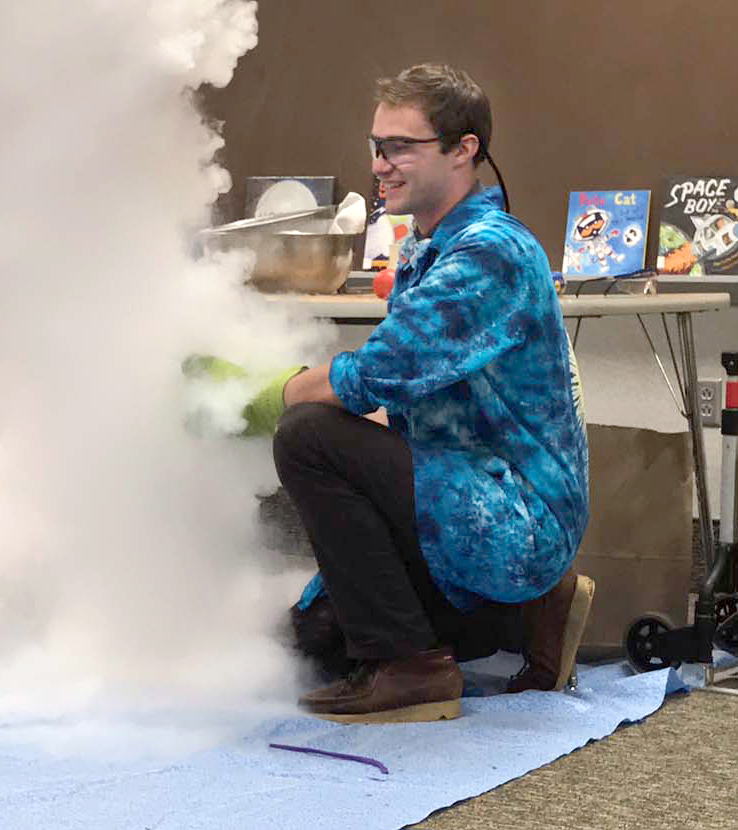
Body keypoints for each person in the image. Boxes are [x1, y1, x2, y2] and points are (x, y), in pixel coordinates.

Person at [272, 64, 592, 723]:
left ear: (463, 150)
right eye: (375, 145)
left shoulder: (490, 252)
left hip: (515, 513)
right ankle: (528, 611)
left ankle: (414, 670)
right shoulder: (429, 248)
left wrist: (290, 387)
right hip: (467, 495)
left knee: (307, 435)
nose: (380, 164)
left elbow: (376, 378)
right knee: (319, 640)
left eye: (400, 147)